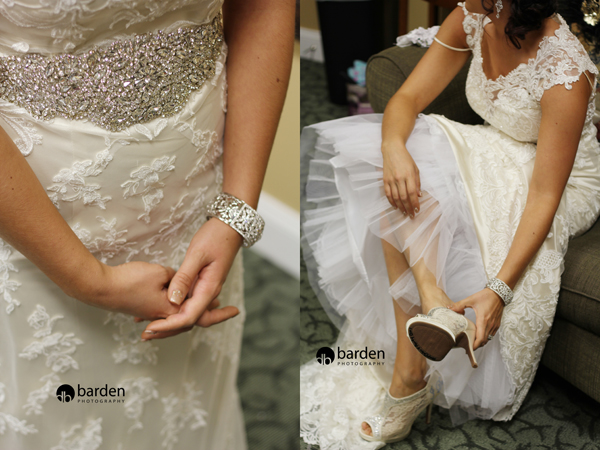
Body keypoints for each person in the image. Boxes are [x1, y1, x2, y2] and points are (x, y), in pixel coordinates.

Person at [300, 0, 600, 448]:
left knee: (422, 177)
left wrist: (500, 290)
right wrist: (393, 148)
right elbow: (406, 99)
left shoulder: (566, 70)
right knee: (395, 164)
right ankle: (432, 304)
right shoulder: (474, 13)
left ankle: (408, 378)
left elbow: (545, 195)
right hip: (503, 141)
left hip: (562, 181)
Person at [0, 0, 294, 449]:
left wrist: (235, 212)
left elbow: (263, 6)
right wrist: (88, 280)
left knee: (183, 391)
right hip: (35, 224)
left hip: (197, 197)